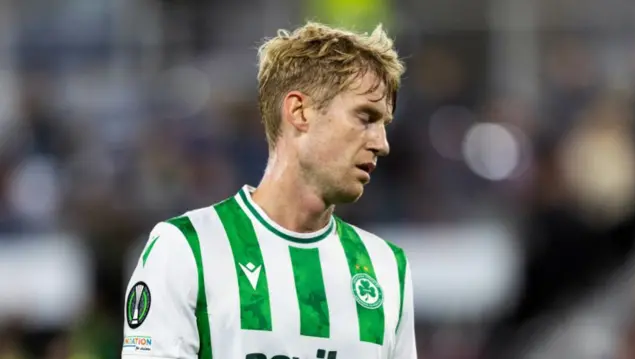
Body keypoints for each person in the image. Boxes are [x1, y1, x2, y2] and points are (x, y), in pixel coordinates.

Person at [121, 21, 415, 359]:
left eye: (384, 125)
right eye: (365, 117)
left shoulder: (386, 267)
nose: (382, 144)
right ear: (299, 111)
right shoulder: (187, 248)